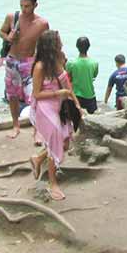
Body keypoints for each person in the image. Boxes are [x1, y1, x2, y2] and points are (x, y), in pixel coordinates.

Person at [29, 30, 81, 201]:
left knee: (65, 143)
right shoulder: (40, 67)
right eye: (59, 41)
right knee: (55, 140)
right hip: (45, 107)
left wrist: (77, 104)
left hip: (60, 106)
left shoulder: (59, 60)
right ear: (51, 45)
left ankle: (38, 159)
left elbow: (68, 85)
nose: (62, 44)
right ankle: (53, 183)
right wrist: (58, 93)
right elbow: (36, 94)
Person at [0, 0, 49, 139]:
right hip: (12, 60)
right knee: (12, 95)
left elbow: (45, 46)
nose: (24, 10)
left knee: (35, 96)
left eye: (27, 6)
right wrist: (8, 37)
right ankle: (16, 125)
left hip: (29, 62)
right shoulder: (12, 18)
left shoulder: (42, 24)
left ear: (35, 5)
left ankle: (37, 130)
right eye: (22, 6)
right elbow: (1, 32)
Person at [66, 37, 99, 114]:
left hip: (75, 96)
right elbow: (94, 75)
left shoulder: (71, 63)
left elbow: (67, 77)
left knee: (75, 121)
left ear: (77, 46)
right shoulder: (94, 63)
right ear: (88, 47)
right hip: (90, 96)